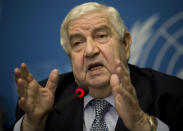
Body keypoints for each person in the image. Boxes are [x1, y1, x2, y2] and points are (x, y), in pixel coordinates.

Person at [13, 2, 183, 131]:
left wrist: (141, 123)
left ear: (125, 44)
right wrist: (32, 123)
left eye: (101, 36)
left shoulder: (173, 93)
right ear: (69, 55)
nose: (89, 51)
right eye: (77, 43)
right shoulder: (41, 100)